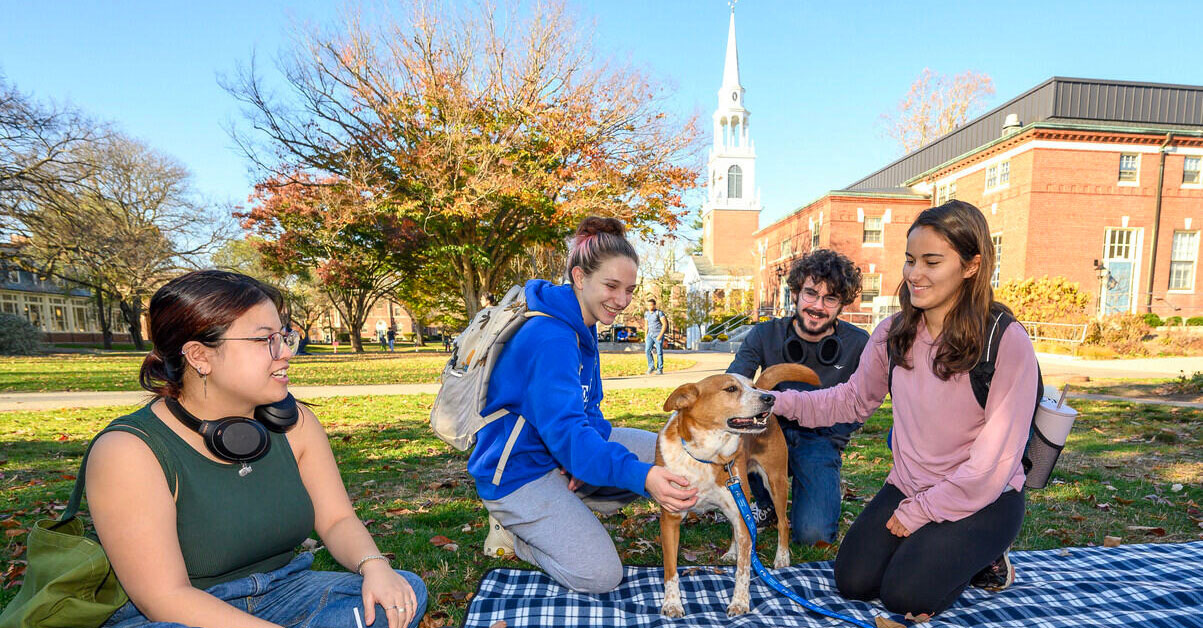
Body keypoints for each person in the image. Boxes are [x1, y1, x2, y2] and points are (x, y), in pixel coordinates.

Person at [86, 270, 426, 628]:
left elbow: (336, 519)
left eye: (284, 337)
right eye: (265, 340)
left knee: (403, 593)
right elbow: (164, 599)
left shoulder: (297, 424)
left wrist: (374, 565)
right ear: (200, 356)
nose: (284, 354)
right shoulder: (128, 451)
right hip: (181, 614)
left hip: (287, 591)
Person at [769, 201, 1037, 617]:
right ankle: (938, 547)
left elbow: (991, 464)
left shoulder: (1005, 341)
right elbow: (851, 399)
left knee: (904, 596)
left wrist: (922, 513)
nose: (914, 274)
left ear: (971, 266)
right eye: (910, 260)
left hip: (985, 496)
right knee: (853, 582)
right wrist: (776, 403)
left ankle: (986, 556)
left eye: (932, 261)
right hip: (911, 484)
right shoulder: (893, 333)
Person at [469, 216, 698, 593]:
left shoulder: (583, 323)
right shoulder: (551, 337)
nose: (622, 301)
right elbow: (571, 434)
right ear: (579, 277)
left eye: (629, 289)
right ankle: (518, 534)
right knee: (602, 575)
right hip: (516, 474)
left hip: (557, 455)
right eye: (612, 286)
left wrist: (581, 461)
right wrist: (638, 477)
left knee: (670, 452)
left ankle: (566, 504)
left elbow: (589, 413)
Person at [726, 249, 869, 545]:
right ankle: (764, 503)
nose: (818, 306)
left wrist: (837, 435)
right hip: (765, 432)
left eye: (830, 299)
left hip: (819, 438)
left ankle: (820, 484)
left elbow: (869, 398)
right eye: (811, 294)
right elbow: (733, 385)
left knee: (813, 535)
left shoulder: (858, 344)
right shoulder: (764, 334)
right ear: (795, 292)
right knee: (734, 435)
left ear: (841, 304)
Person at [643, 298, 668, 375]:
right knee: (647, 350)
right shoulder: (646, 314)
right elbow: (646, 325)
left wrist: (660, 336)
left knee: (659, 352)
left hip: (658, 335)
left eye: (651, 305)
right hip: (649, 335)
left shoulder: (659, 313)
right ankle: (651, 367)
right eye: (648, 305)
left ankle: (660, 369)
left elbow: (664, 324)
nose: (649, 306)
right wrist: (645, 335)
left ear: (654, 305)